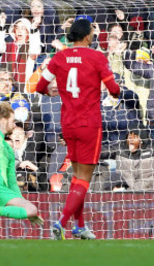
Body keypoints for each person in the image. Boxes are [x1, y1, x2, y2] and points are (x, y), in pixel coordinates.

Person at [35, 17, 121, 240]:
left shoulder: (59, 56)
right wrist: (115, 90)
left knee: (76, 177)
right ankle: (61, 223)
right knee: (84, 179)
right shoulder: (96, 56)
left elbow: (40, 86)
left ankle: (80, 226)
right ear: (87, 36)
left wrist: (50, 93)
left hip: (68, 124)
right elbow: (114, 89)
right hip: (89, 124)